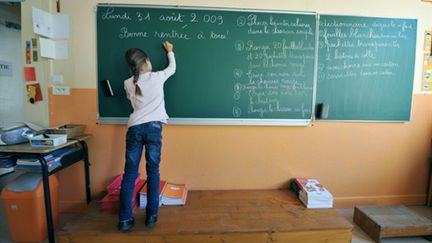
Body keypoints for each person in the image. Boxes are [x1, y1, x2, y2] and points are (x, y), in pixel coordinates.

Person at [118, 41, 176, 232]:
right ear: (145, 62)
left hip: (134, 128)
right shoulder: (157, 77)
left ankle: (125, 220)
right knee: (153, 172)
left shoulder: (128, 83)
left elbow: (132, 99)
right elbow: (172, 68)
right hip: (153, 129)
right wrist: (170, 52)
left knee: (130, 174)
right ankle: (151, 215)